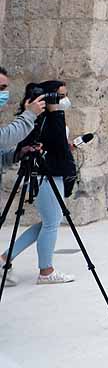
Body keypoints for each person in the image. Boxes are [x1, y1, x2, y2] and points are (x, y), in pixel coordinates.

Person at [1, 81, 77, 286]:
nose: (63, 100)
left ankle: (5, 258)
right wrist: (56, 114)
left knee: (49, 222)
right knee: (51, 223)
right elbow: (58, 146)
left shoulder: (45, 119)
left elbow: (57, 146)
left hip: (52, 175)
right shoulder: (43, 119)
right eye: (59, 96)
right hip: (47, 176)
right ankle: (46, 271)